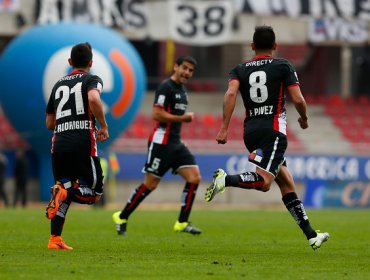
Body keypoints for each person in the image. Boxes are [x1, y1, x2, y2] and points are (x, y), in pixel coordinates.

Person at [205, 26, 329, 250]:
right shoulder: (282, 65)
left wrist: (224, 128)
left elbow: (231, 93)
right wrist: (304, 118)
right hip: (273, 132)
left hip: (250, 132)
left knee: (287, 183)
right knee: (264, 182)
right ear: (275, 46)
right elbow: (298, 99)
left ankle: (311, 235)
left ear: (252, 47)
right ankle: (225, 179)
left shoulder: (239, 69)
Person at [113, 55, 202, 235]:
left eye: (191, 70)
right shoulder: (165, 87)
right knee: (151, 184)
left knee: (194, 178)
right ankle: (121, 216)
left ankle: (182, 223)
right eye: (184, 68)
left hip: (176, 143)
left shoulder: (183, 91)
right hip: (161, 143)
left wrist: (179, 130)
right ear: (175, 67)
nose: (187, 72)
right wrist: (183, 118)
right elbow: (157, 115)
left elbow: (173, 121)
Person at [45, 42, 109, 250]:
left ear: (70, 62)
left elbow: (49, 124)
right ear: (91, 62)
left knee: (62, 188)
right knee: (95, 193)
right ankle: (65, 191)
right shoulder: (92, 79)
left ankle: (55, 239)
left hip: (59, 144)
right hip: (82, 142)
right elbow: (92, 98)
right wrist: (103, 125)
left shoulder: (57, 85)